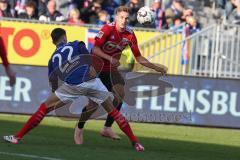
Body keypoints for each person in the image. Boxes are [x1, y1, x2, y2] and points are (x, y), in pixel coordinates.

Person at [3, 28, 144, 152]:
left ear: (53, 42)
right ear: (65, 37)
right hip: (92, 81)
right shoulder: (77, 44)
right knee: (113, 111)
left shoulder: (52, 59)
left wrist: (60, 98)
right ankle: (136, 143)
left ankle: (17, 137)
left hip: (72, 85)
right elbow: (90, 59)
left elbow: (54, 84)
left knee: (44, 108)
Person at [75, 6, 168, 144]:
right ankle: (79, 128)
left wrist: (155, 67)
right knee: (93, 105)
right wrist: (110, 58)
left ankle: (107, 128)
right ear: (116, 18)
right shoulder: (107, 29)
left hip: (110, 69)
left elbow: (139, 58)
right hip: (95, 67)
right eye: (121, 17)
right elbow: (95, 49)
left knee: (120, 95)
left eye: (126, 18)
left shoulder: (130, 35)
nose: (124, 20)